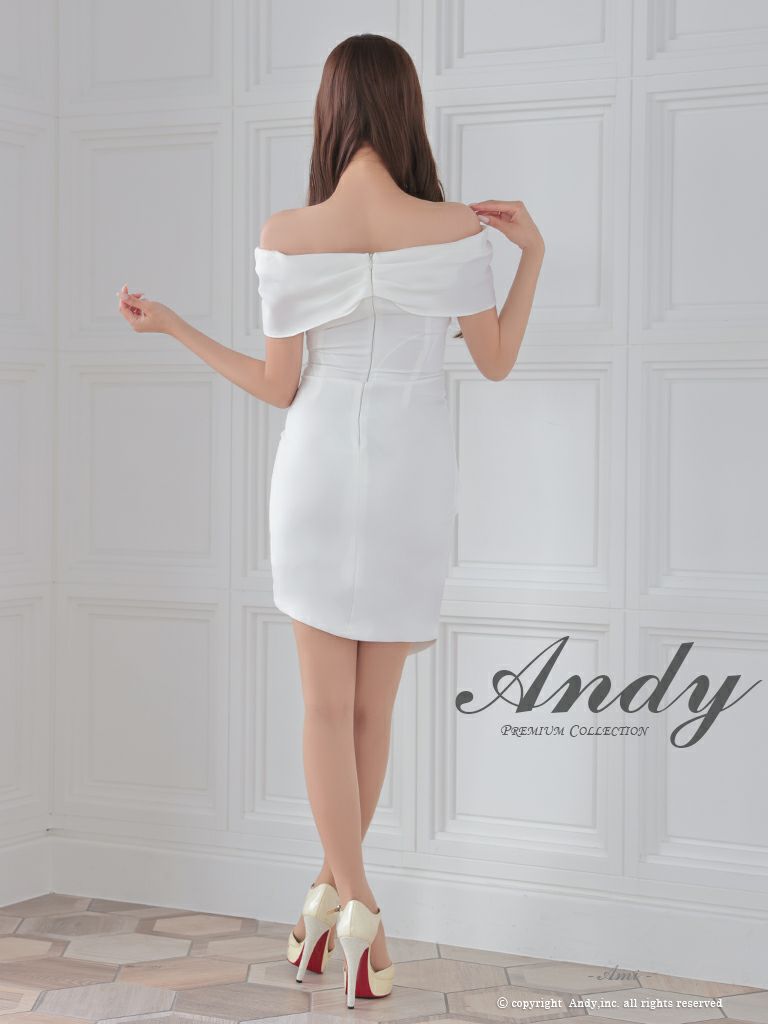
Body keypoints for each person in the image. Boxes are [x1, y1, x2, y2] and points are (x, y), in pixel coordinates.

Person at [116, 32, 544, 1009]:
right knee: (370, 712)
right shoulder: (453, 229)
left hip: (314, 471)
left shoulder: (288, 230)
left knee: (321, 709)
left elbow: (280, 386)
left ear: (331, 111)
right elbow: (495, 362)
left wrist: (175, 325)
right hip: (412, 477)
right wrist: (534, 256)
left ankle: (343, 900)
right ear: (405, 110)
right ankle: (353, 903)